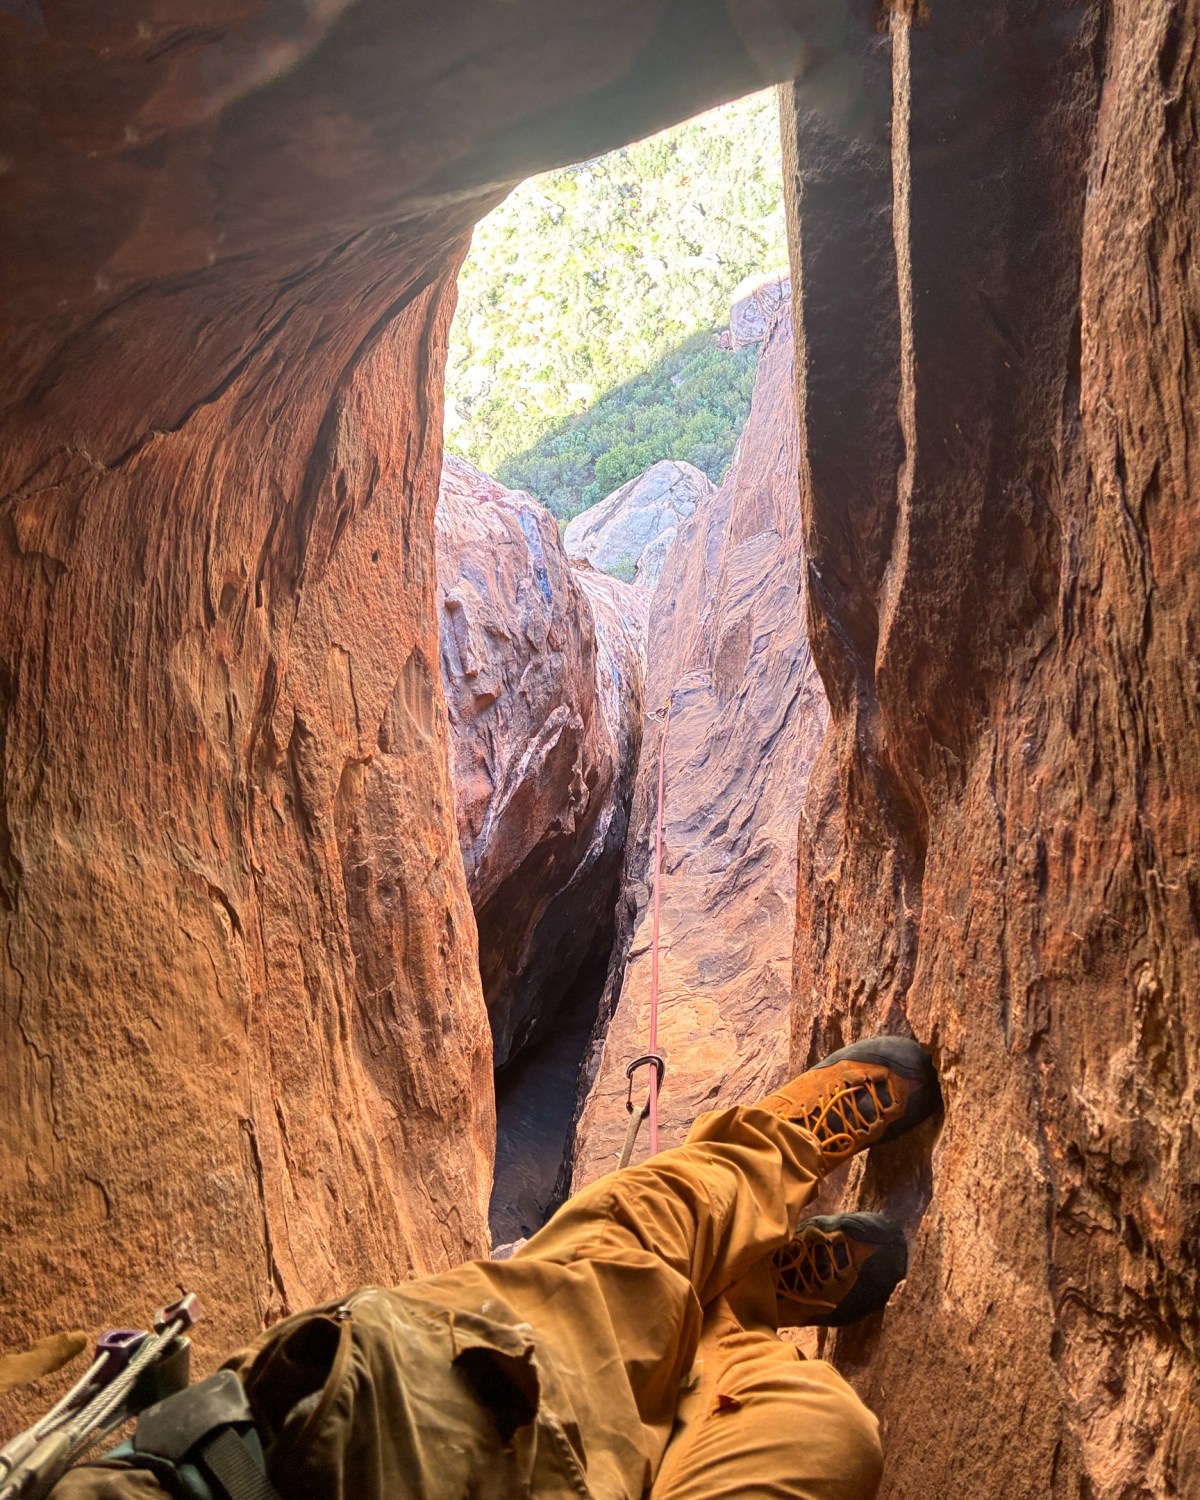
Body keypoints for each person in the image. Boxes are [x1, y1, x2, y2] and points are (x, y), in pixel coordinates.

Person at [52, 1035, 942, 1500]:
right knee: (824, 1433)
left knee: (616, 1263)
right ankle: (742, 1295)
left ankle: (772, 1175)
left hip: (339, 1450)